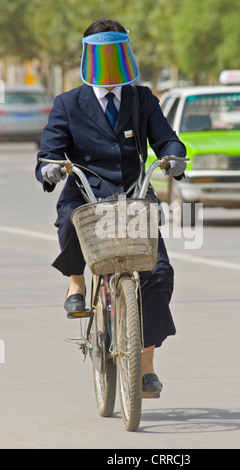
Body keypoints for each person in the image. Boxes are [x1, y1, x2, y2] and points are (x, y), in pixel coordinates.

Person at [35, 18, 186, 397]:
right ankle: (75, 283)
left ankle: (145, 365)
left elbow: (168, 139)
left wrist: (174, 156)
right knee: (70, 219)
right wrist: (50, 167)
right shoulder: (68, 103)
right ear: (88, 55)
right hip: (87, 193)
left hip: (133, 197)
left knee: (160, 275)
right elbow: (48, 153)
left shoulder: (142, 98)